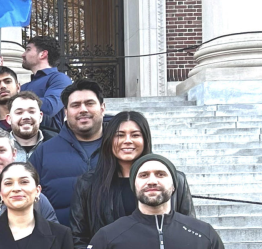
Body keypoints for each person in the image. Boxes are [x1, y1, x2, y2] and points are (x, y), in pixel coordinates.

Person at [70, 111, 195, 248]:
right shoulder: (88, 184)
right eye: (120, 135)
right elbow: (78, 237)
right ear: (109, 140)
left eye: (135, 135)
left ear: (145, 139)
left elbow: (190, 230)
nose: (127, 140)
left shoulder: (175, 180)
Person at [88, 154, 224, 249]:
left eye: (161, 174)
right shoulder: (108, 236)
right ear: (133, 187)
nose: (152, 181)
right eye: (143, 175)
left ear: (174, 186)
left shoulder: (204, 234)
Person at [29, 79, 105, 226]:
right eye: (75, 105)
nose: (83, 109)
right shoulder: (44, 152)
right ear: (65, 111)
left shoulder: (120, 148)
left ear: (102, 107)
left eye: (89, 103)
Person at [0, 163, 73, 249]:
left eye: (24, 182)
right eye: (8, 183)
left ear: (37, 190)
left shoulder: (61, 234)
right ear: (1, 193)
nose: (16, 188)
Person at [19, 36, 72, 133]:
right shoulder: (24, 87)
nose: (23, 54)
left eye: (28, 50)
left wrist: (15, 98)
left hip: (48, 139)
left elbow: (50, 107)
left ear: (43, 54)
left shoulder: (60, 79)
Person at [6, 91, 54, 162]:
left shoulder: (58, 146)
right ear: (9, 119)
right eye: (19, 112)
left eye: (31, 111)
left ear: (40, 117)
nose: (26, 117)